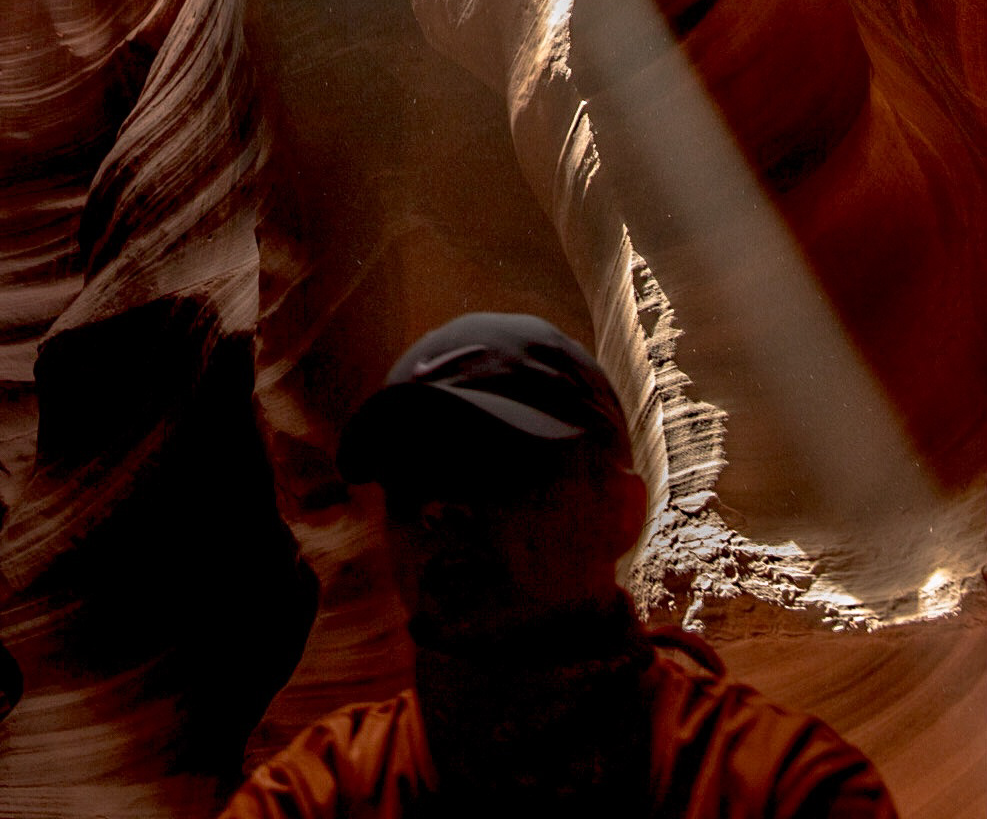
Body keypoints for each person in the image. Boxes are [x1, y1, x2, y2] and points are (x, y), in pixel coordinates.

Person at [221, 314, 896, 816]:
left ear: (621, 511)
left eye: (495, 472)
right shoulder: (312, 796)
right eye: (409, 486)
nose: (440, 512)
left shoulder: (785, 791)